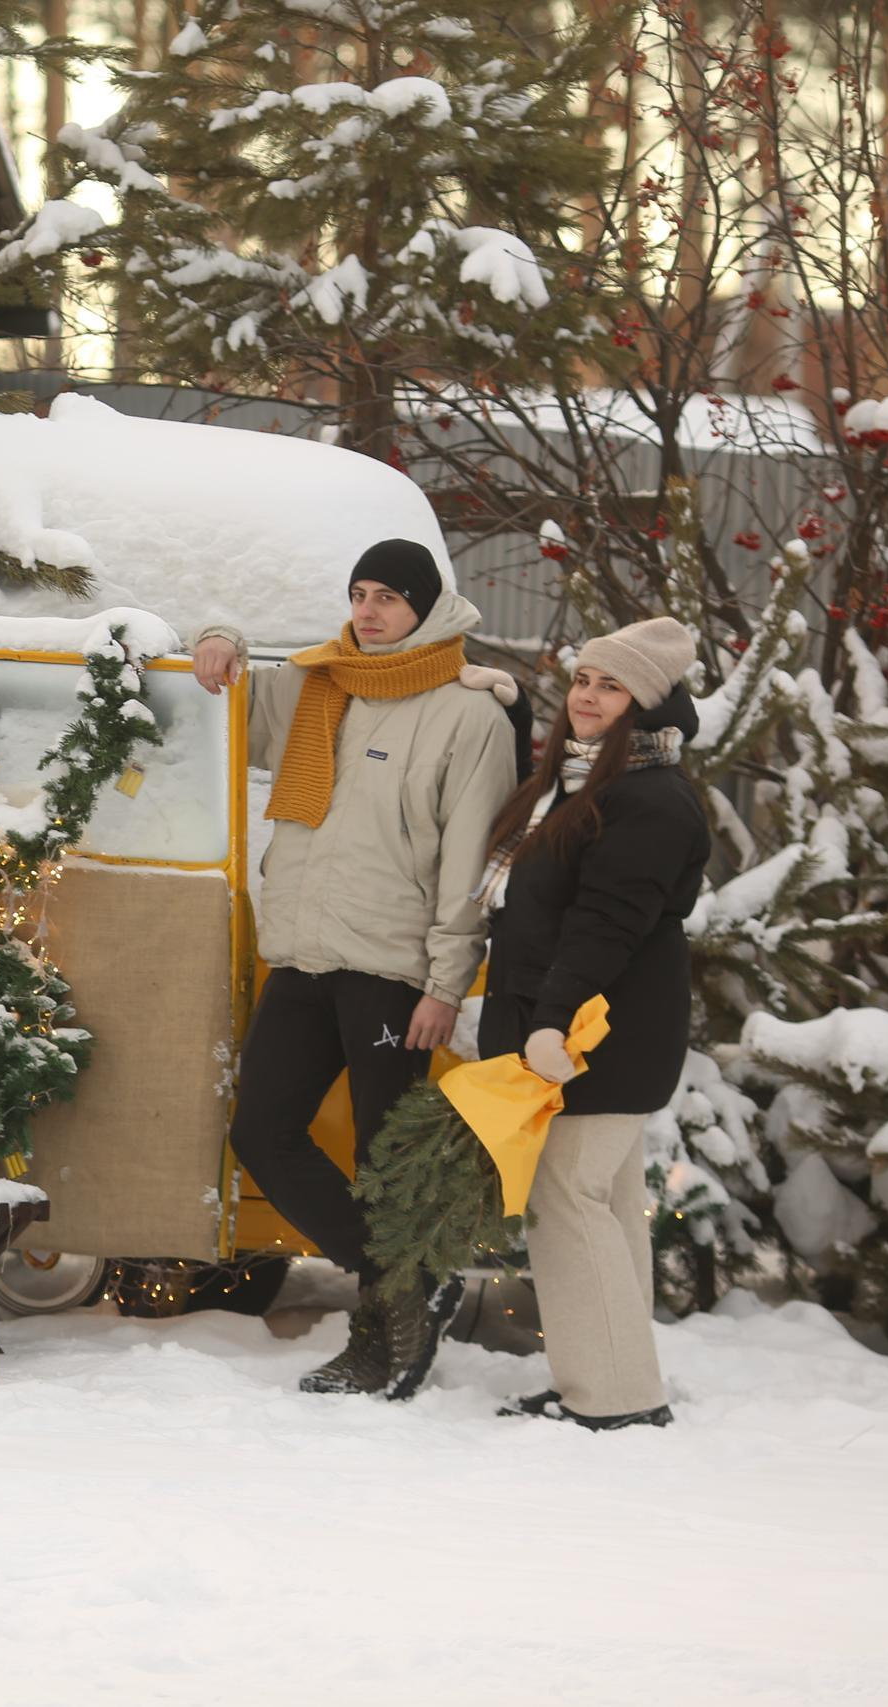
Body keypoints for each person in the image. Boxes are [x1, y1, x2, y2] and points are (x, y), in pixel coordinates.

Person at [192, 539, 518, 1399]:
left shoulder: (469, 716)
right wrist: (219, 634)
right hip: (303, 953)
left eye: (387, 597)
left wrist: (446, 983)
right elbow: (229, 682)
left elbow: (469, 863)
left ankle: (382, 1340)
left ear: (426, 607)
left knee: (383, 1159)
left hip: (395, 969)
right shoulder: (317, 684)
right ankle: (409, 1278)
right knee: (261, 1130)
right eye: (359, 593)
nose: (368, 610)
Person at [477, 618, 708, 1432]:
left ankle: (613, 1395)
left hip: (598, 1033)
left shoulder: (650, 799)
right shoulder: (584, 782)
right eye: (583, 680)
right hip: (584, 1026)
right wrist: (503, 710)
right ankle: (613, 1379)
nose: (588, 696)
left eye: (610, 686)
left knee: (565, 1199)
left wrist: (546, 1022)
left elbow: (605, 924)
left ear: (645, 703)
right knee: (600, 1203)